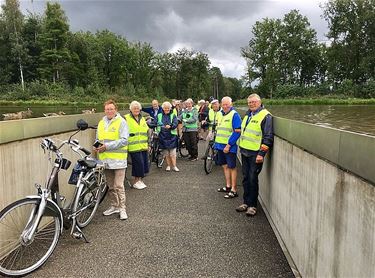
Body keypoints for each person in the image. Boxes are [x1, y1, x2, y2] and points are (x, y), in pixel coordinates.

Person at [236, 94, 273, 216]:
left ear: (259, 102)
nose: (251, 104)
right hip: (245, 151)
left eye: (253, 102)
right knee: (246, 178)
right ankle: (246, 202)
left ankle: (252, 206)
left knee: (252, 179)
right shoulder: (248, 114)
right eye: (249, 102)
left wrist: (261, 153)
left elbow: (268, 137)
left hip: (255, 154)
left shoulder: (266, 116)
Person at [95, 99, 129, 220]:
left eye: (111, 109)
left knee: (119, 185)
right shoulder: (101, 123)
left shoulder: (121, 122)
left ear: (116, 110)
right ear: (104, 110)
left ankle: (122, 208)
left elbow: (124, 140)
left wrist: (107, 146)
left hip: (119, 160)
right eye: (107, 109)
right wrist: (97, 147)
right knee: (110, 186)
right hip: (105, 160)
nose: (109, 111)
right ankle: (114, 205)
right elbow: (98, 139)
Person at [214, 96, 242, 199]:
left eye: (227, 104)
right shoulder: (220, 114)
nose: (225, 106)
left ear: (231, 105)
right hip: (220, 145)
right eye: (223, 104)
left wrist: (229, 144)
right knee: (224, 166)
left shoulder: (234, 115)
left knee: (232, 167)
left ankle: (234, 190)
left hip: (229, 146)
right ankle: (228, 186)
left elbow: (237, 132)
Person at [124, 101, 149, 190]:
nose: (136, 110)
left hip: (143, 145)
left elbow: (146, 131)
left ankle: (140, 180)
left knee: (144, 164)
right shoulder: (126, 118)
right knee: (138, 164)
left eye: (138, 108)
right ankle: (136, 181)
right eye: (134, 108)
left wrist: (148, 144)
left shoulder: (142, 118)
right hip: (133, 146)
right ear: (131, 109)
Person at [157, 101, 179, 172]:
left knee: (173, 153)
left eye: (168, 108)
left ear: (170, 108)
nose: (166, 109)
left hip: (172, 135)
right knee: (166, 152)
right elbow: (155, 122)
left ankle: (174, 166)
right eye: (165, 108)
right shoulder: (159, 115)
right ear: (163, 108)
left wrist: (171, 126)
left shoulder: (173, 115)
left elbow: (175, 123)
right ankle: (168, 165)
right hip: (163, 135)